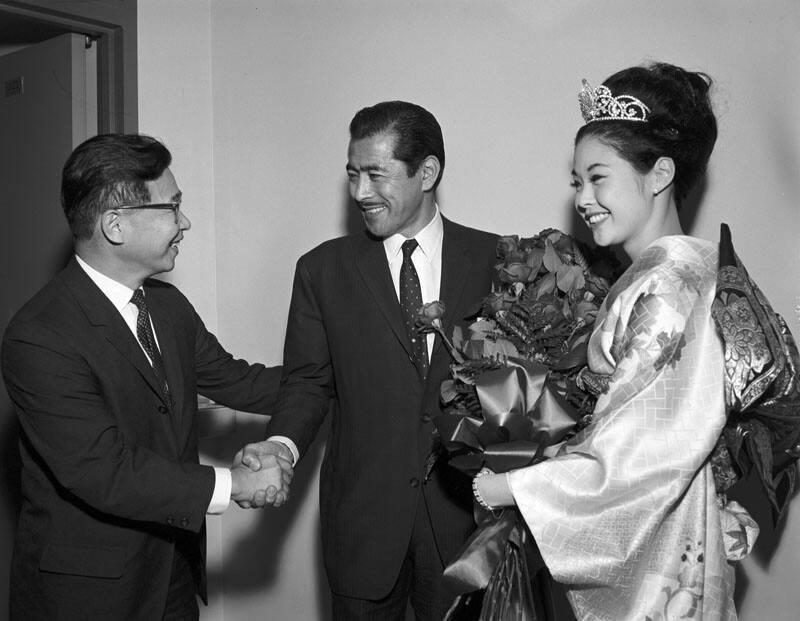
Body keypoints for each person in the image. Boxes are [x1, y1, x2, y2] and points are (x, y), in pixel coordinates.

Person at [472, 63, 759, 620]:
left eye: (598, 177)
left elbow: (642, 447)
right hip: (666, 516)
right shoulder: (671, 275)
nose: (583, 198)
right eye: (578, 181)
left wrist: (519, 489)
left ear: (659, 174)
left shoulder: (671, 285)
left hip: (660, 530)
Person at [1, 134, 292, 621]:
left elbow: (240, 382)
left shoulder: (168, 307)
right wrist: (236, 483)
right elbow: (103, 470)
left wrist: (344, 375)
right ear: (115, 225)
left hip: (172, 577)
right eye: (172, 208)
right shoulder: (39, 336)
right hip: (90, 596)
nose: (186, 223)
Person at [239, 100, 498, 619]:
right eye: (353, 175)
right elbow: (308, 383)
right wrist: (283, 445)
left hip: (467, 522)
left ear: (427, 172)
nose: (360, 192)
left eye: (375, 175)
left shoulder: (499, 262)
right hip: (361, 522)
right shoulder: (322, 271)